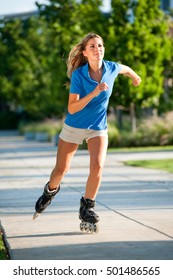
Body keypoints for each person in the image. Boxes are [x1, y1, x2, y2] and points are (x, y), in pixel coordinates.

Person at [33, 33, 141, 232]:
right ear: (85, 52)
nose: (97, 49)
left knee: (98, 165)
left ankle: (87, 206)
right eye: (92, 46)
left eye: (100, 45)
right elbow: (72, 108)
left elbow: (125, 69)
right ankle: (49, 192)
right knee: (61, 170)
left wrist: (135, 77)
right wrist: (94, 92)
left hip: (98, 127)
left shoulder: (111, 68)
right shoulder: (79, 75)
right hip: (75, 125)